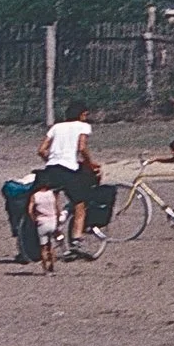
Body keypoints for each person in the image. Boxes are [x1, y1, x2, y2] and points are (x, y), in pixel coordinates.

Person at [34, 102, 100, 252]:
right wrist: (90, 164)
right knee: (80, 204)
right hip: (69, 170)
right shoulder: (83, 126)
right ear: (82, 114)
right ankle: (76, 239)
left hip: (51, 170)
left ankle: (55, 232)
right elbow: (82, 148)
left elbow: (41, 150)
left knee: (52, 203)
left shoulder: (56, 127)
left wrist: (51, 160)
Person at [26, 185, 64, 273]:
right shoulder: (52, 194)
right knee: (51, 245)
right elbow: (57, 209)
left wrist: (34, 219)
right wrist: (58, 221)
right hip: (52, 221)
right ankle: (52, 267)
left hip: (42, 222)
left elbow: (30, 210)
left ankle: (45, 269)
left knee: (43, 247)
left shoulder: (35, 195)